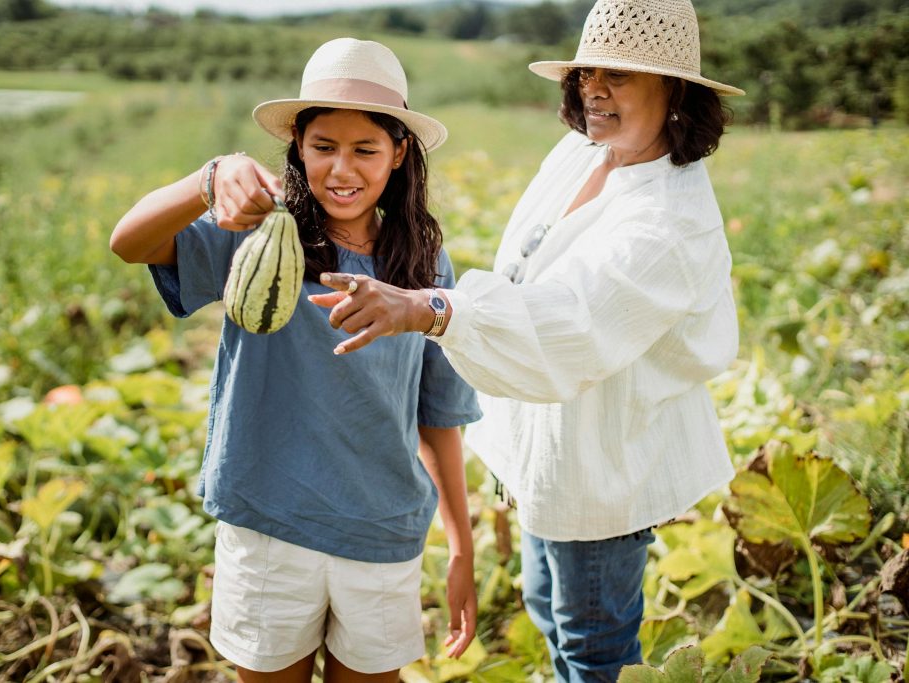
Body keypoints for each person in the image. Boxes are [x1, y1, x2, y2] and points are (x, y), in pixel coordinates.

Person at [308, 1, 745, 680]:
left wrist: (429, 307)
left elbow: (568, 321)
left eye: (621, 76)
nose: (594, 89)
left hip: (603, 458)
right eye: (588, 72)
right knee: (548, 604)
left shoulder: (668, 224)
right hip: (552, 441)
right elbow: (525, 272)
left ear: (677, 92)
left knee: (592, 644)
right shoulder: (585, 153)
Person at [110, 38, 481, 683]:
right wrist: (208, 180)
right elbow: (128, 242)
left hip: (381, 531)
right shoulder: (254, 236)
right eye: (323, 147)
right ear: (298, 150)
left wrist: (461, 546)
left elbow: (438, 415)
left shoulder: (423, 266)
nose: (343, 169)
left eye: (365, 149)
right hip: (270, 525)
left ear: (398, 154)